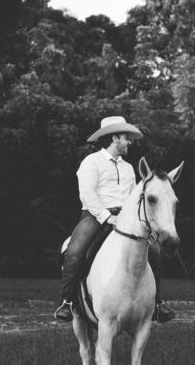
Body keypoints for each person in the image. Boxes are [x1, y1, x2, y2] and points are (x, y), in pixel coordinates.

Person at [54, 116, 176, 324]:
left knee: (154, 252)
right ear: (114, 138)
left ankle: (157, 304)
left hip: (124, 218)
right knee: (75, 252)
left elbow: (133, 198)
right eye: (126, 138)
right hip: (95, 216)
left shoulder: (128, 168)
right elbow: (87, 195)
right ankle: (67, 302)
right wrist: (107, 217)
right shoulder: (91, 162)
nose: (129, 142)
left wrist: (134, 220)